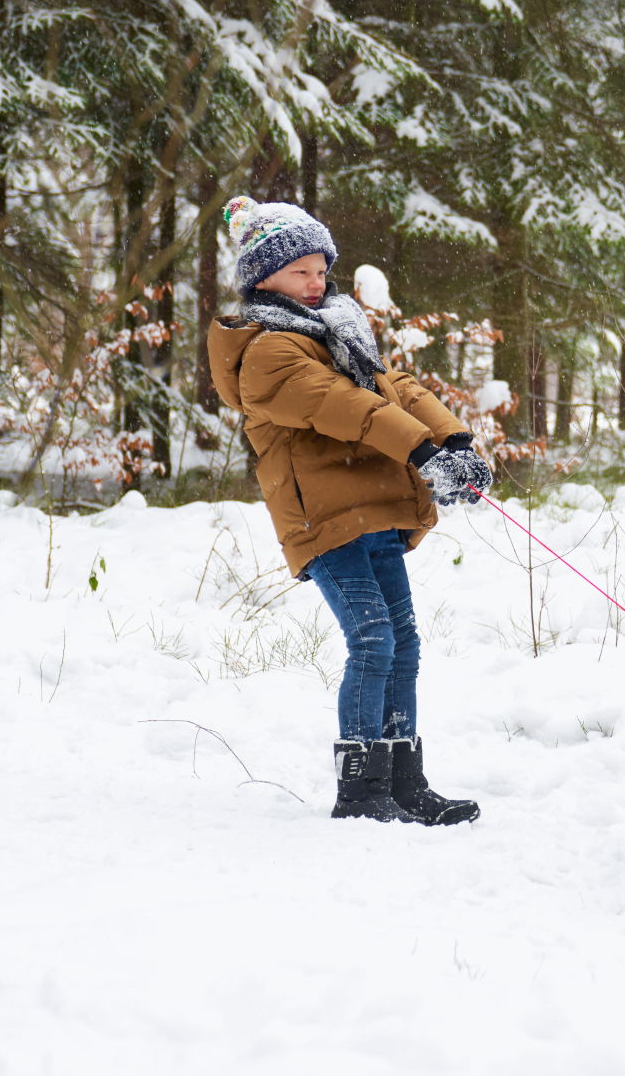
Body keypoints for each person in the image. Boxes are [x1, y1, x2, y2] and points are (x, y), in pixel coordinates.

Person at [208, 196, 494, 825]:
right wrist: (419, 451)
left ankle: (403, 780)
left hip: (377, 510)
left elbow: (393, 390)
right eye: (298, 272)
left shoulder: (338, 331)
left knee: (405, 645)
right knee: (372, 640)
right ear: (263, 278)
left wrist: (453, 440)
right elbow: (346, 407)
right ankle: (361, 790)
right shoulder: (266, 351)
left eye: (319, 269)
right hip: (326, 520)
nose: (315, 283)